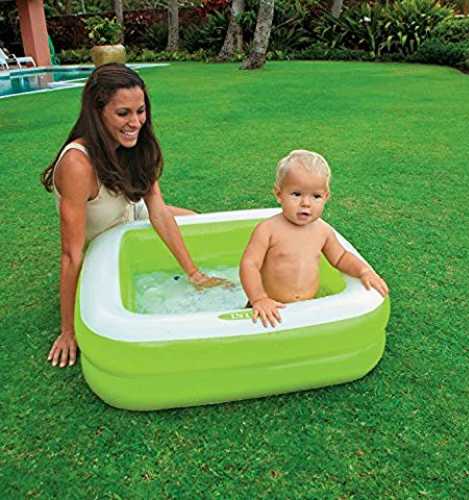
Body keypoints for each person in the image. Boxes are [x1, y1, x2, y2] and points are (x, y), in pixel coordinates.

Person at [42, 63, 226, 368]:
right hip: (101, 243)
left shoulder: (138, 146)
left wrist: (195, 274)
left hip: (130, 214)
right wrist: (68, 330)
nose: (135, 122)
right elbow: (71, 254)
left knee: (194, 220)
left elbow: (158, 211)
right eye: (123, 113)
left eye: (140, 111)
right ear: (97, 112)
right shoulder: (78, 164)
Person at [240, 149, 389, 328]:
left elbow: (341, 257)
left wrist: (364, 271)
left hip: (306, 307)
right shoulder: (268, 230)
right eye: (296, 194)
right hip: (268, 307)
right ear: (279, 194)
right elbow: (250, 264)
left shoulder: (323, 231)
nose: (306, 203)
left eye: (316, 196)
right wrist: (259, 298)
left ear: (326, 197)